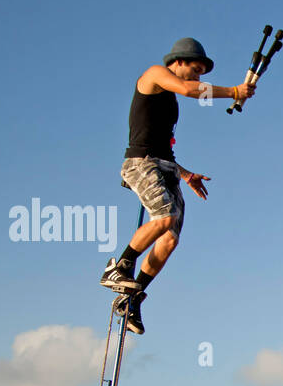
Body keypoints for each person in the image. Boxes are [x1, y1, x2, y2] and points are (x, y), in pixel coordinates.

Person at [99, 37, 256, 334]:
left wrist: (185, 174)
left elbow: (165, 144)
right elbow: (189, 90)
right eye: (195, 70)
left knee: (170, 238)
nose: (197, 78)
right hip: (140, 163)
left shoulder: (170, 100)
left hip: (166, 165)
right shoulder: (154, 74)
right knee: (164, 217)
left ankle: (131, 299)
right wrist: (234, 91)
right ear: (179, 62)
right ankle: (119, 267)